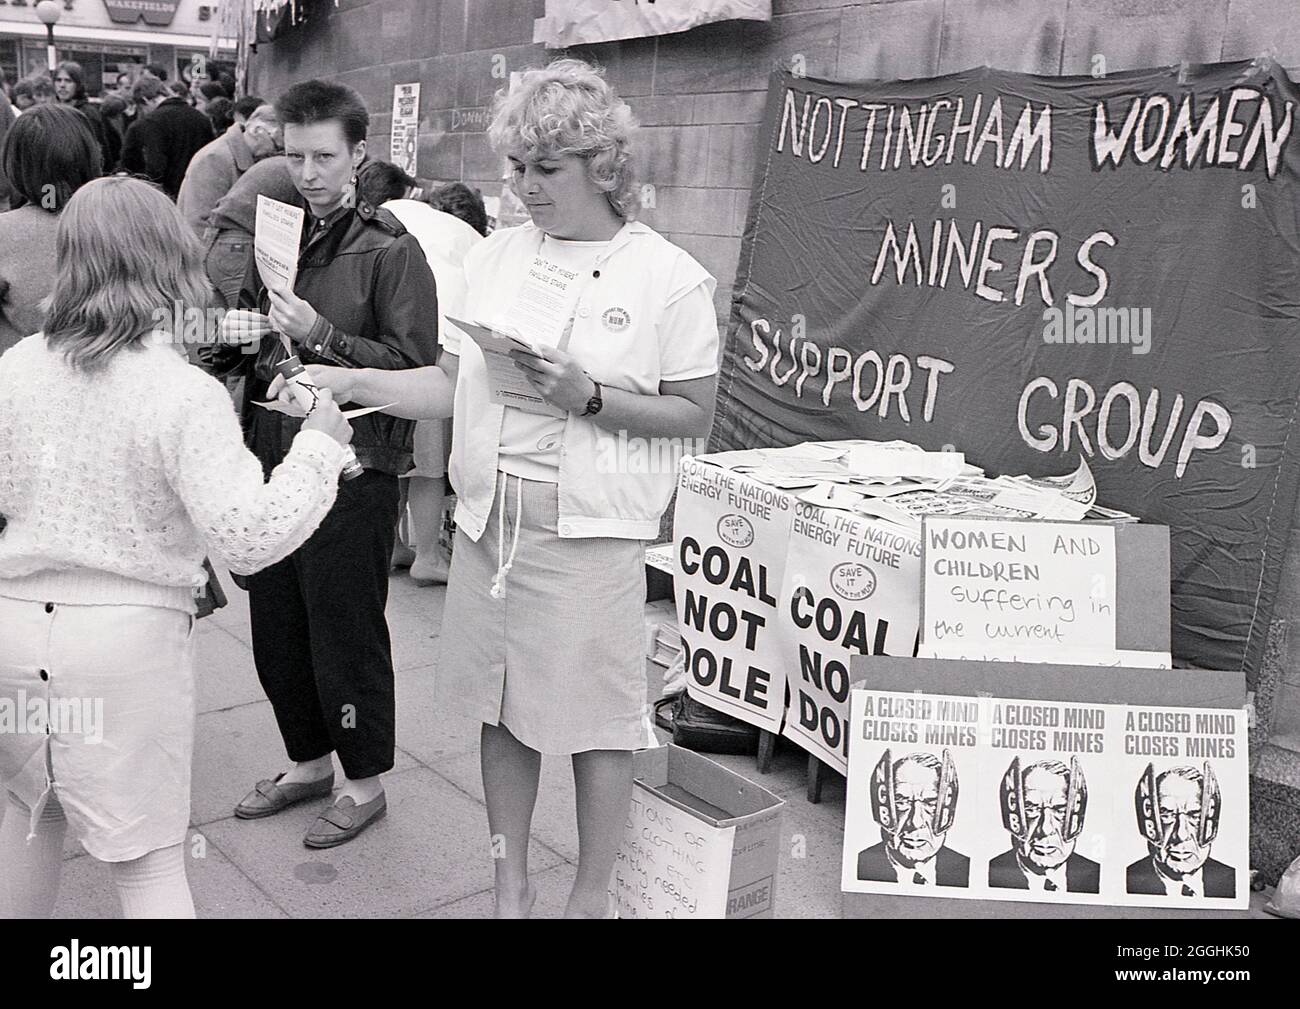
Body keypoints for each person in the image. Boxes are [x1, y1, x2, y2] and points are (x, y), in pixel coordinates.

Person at [273, 59, 720, 915]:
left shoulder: (666, 276)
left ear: (604, 165)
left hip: (591, 526)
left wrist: (589, 396)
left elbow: (695, 414)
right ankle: (508, 883)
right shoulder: (498, 255)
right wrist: (350, 384)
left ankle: (591, 895)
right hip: (490, 521)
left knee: (596, 721)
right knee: (502, 708)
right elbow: (450, 387)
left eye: (545, 169)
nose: (523, 186)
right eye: (516, 167)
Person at [0, 176, 355, 918]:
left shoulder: (16, 368)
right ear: (168, 258)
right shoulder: (178, 391)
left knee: (27, 820)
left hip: (16, 624)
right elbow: (249, 537)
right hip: (127, 640)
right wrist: (318, 449)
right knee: (150, 859)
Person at [207, 80, 440, 849]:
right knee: (278, 626)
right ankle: (307, 762)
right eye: (293, 154)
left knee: (345, 630)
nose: (306, 171)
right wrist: (240, 335)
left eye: (323, 156)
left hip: (356, 465)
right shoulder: (282, 228)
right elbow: (264, 341)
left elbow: (414, 371)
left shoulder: (392, 247)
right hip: (277, 455)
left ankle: (363, 780)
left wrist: (323, 333)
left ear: (359, 155)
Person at [382, 184, 486, 584]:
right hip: (430, 348)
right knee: (426, 466)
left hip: (385, 344)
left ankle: (393, 545)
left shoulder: (401, 212)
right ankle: (428, 556)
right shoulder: (474, 241)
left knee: (392, 459)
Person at [0, 105, 101, 355]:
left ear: (15, 164)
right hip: (111, 374)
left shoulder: (5, 232)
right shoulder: (129, 224)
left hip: (22, 378)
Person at [857, 750, 969, 886]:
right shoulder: (862, 865)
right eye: (902, 802)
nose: (916, 822)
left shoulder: (966, 869)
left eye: (930, 802)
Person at [988, 757, 1099, 894]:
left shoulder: (1094, 875)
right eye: (1031, 809)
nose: (1046, 829)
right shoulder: (992, 872)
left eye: (1060, 809)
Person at [1126, 762, 1236, 898]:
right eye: (1166, 815)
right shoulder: (1127, 880)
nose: (1181, 834)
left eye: (1194, 815)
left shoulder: (1232, 881)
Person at [177, 101, 281, 235]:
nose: (277, 154)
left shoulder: (236, 156)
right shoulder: (215, 159)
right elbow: (199, 223)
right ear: (257, 131)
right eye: (277, 146)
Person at [121, 76, 214, 199]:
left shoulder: (150, 122)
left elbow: (154, 166)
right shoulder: (201, 119)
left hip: (165, 195)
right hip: (197, 192)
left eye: (141, 107)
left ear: (146, 100)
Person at [52, 61, 115, 174]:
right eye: (58, 80)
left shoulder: (87, 114)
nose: (62, 85)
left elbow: (98, 152)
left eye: (68, 81)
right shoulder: (52, 111)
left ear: (78, 84)